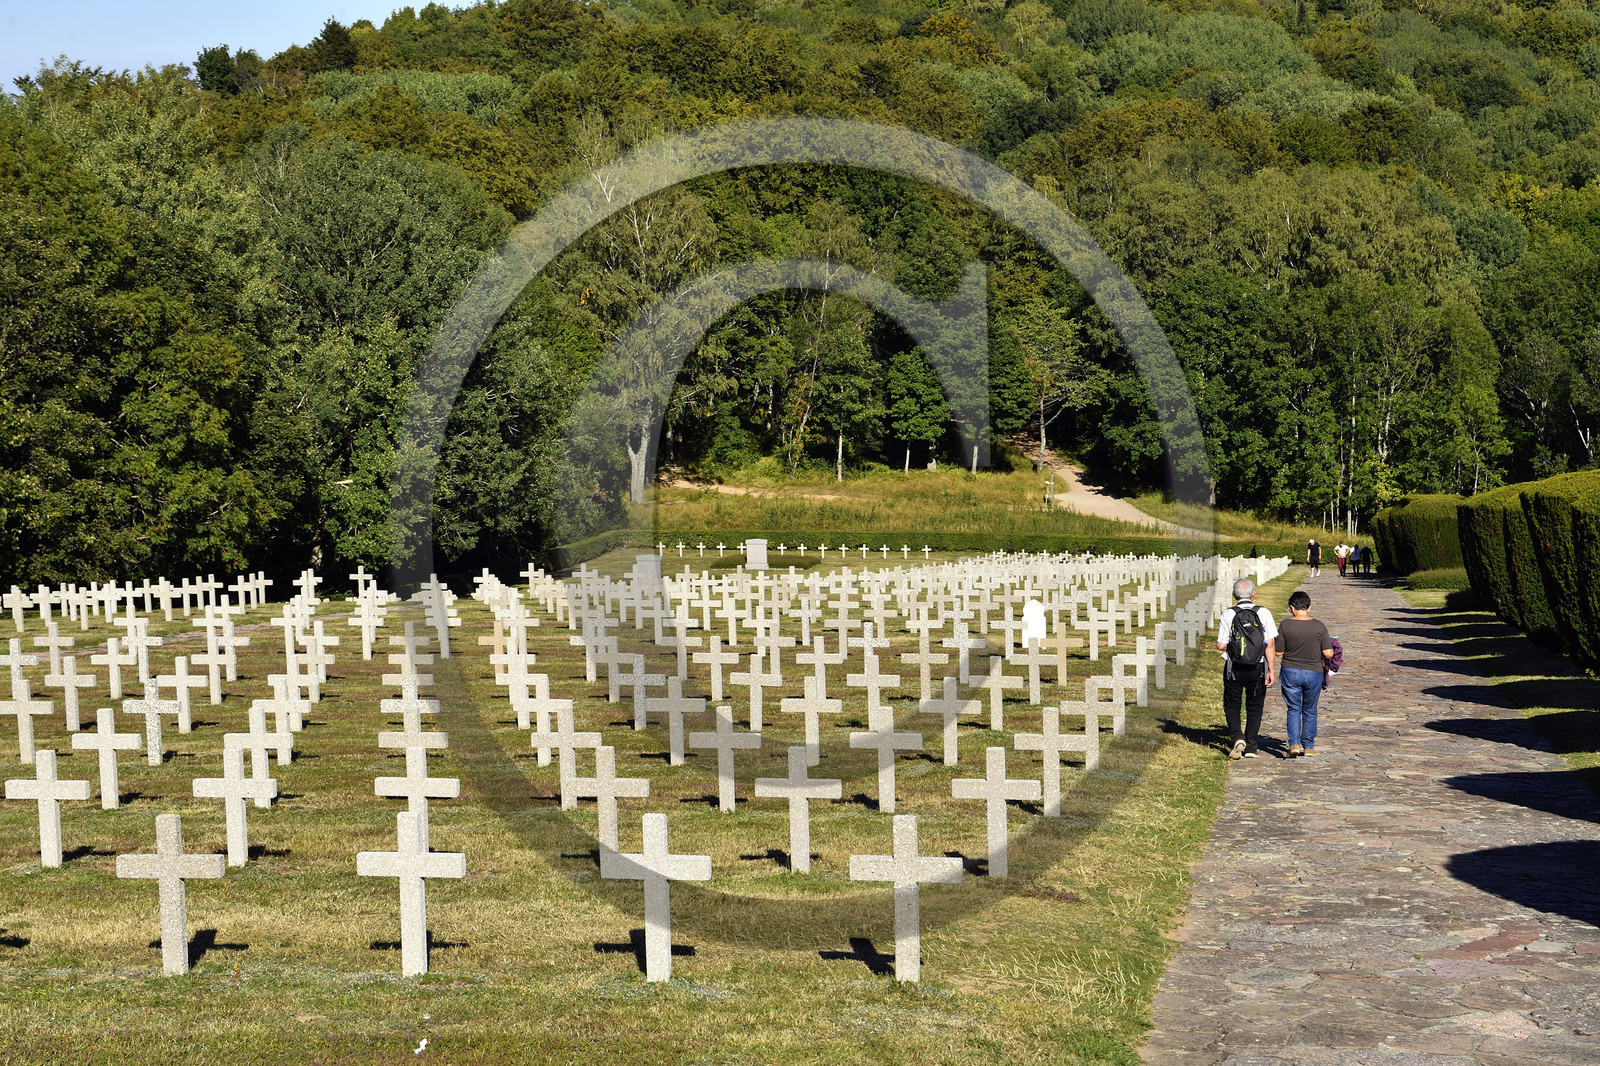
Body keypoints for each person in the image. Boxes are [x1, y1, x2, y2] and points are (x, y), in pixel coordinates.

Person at [1218, 577, 1277, 760]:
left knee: (1232, 704)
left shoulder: (1228, 614)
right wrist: (1271, 671)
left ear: (1234, 595)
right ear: (1254, 594)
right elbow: (1270, 643)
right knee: (1255, 706)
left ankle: (1236, 736)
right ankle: (1251, 747)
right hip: (1258, 667)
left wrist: (1236, 648)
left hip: (1233, 667)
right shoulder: (1263, 613)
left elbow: (1221, 645)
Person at [1273, 589, 1335, 757]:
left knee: (1293, 708)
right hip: (1313, 671)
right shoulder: (1319, 626)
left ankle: (1294, 744)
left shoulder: (1285, 625)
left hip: (1290, 670)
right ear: (1309, 607)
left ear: (1292, 608)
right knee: (1310, 709)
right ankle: (1308, 746)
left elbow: (1278, 652)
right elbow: (1328, 653)